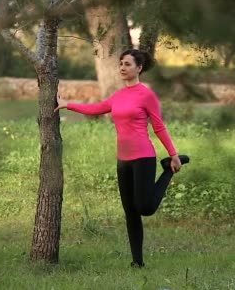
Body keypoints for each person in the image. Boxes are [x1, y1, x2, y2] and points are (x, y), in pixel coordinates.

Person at [55, 49, 189, 268]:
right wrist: (67, 104)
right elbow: (97, 108)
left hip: (143, 156)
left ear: (139, 68)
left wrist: (173, 154)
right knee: (131, 212)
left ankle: (168, 170)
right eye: (120, 64)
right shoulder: (119, 96)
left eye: (127, 64)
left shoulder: (146, 95)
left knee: (145, 207)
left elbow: (158, 126)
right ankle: (137, 262)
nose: (122, 68)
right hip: (123, 160)